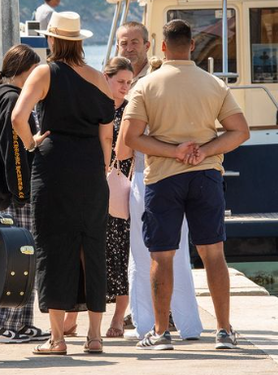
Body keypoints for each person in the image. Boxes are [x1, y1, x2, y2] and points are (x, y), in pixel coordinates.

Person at [121, 19, 250, 351]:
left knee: (161, 257)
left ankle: (162, 333)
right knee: (213, 254)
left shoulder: (145, 86)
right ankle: (223, 331)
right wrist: (203, 150)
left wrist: (173, 151)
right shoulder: (214, 85)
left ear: (162, 47)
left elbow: (130, 138)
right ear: (192, 45)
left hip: (163, 177)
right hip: (206, 175)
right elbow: (240, 131)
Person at [11, 11, 114, 356]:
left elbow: (17, 117)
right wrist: (102, 168)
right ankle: (95, 336)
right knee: (92, 248)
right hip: (90, 170)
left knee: (54, 248)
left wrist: (31, 142)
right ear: (81, 42)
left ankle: (57, 339)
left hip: (54, 167)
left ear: (52, 41)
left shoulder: (44, 72)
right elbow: (106, 136)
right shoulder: (100, 78)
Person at [119, 21, 204, 343]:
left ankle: (148, 326)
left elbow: (126, 143)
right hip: (182, 171)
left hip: (150, 173)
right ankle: (188, 325)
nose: (128, 48)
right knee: (177, 253)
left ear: (151, 44)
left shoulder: (142, 85)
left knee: (144, 256)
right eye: (123, 43)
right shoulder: (180, 78)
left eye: (134, 42)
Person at [0, 44, 50, 344]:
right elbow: (14, 151)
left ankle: (21, 323)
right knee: (21, 257)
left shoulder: (3, 97)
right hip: (20, 191)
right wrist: (22, 190)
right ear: (26, 69)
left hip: (11, 188)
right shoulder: (12, 100)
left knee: (25, 256)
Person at [102, 57, 135, 338]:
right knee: (93, 254)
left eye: (129, 82)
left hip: (121, 186)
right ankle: (78, 316)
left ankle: (118, 318)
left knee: (121, 254)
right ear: (106, 78)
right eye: (120, 81)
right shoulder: (94, 108)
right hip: (94, 187)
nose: (125, 87)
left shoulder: (130, 111)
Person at [116, 21, 151, 85]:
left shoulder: (155, 76)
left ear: (147, 46)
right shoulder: (112, 79)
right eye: (124, 44)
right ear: (118, 48)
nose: (129, 49)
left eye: (134, 43)